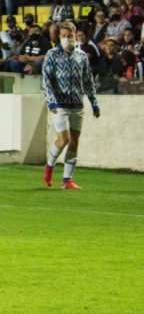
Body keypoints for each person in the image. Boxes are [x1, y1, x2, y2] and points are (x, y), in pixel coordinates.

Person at [42, 21, 100, 190]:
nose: (68, 39)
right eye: (64, 36)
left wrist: (94, 103)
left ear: (75, 36)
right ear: (59, 37)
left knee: (74, 141)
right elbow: (46, 80)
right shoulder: (52, 55)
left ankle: (67, 180)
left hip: (77, 105)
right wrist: (51, 100)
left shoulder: (82, 56)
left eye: (70, 36)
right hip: (59, 104)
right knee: (64, 139)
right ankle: (50, 165)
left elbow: (88, 81)